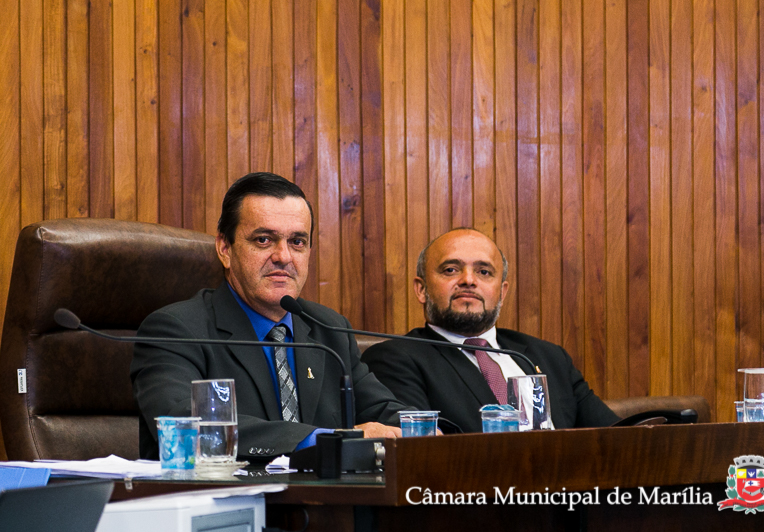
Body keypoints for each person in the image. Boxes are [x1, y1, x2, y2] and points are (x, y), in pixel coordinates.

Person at [131, 172, 407, 461]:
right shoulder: (176, 330)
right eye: (264, 240)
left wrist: (423, 432)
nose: (283, 256)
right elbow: (185, 424)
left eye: (297, 242)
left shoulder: (328, 328)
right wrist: (325, 440)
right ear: (225, 249)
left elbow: (382, 410)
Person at [361, 228, 619, 433]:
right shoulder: (395, 359)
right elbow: (423, 450)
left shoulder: (549, 356)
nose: (468, 280)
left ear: (502, 292)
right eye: (451, 270)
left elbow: (615, 434)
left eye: (484, 272)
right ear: (421, 289)